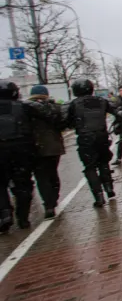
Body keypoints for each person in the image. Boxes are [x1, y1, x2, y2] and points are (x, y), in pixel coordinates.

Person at [67, 78, 121, 208]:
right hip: (101, 136)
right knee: (104, 163)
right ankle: (109, 188)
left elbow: (68, 122)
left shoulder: (74, 104)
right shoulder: (101, 101)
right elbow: (117, 111)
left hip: (86, 138)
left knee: (90, 167)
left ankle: (98, 196)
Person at [0, 81, 40, 231]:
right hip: (21, 150)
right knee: (23, 184)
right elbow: (45, 117)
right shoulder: (24, 107)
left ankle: (5, 213)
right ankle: (23, 218)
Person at [27, 85, 66, 219]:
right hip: (54, 146)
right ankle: (54, 198)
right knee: (53, 173)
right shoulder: (54, 107)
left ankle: (48, 205)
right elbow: (62, 124)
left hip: (36, 146)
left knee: (41, 177)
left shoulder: (27, 108)